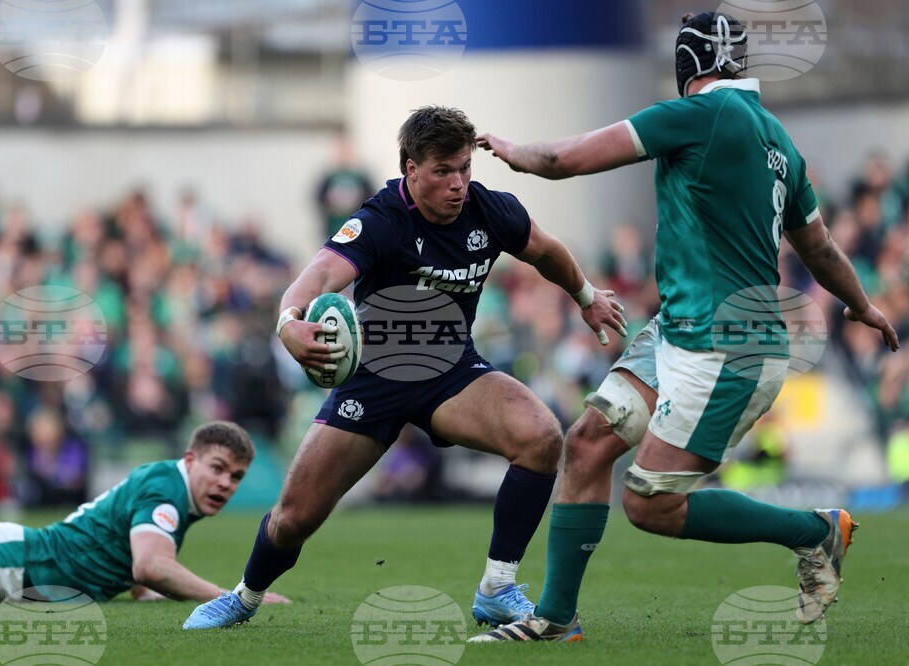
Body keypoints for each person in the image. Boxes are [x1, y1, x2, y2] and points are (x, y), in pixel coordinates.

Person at [471, 11, 900, 643]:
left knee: (648, 504)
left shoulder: (696, 115)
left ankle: (815, 532)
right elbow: (822, 249)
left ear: (687, 66)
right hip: (682, 334)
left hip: (727, 350)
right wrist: (861, 305)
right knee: (587, 444)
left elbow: (563, 159)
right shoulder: (780, 140)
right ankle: (557, 620)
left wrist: (513, 152)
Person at [182, 105, 627, 630]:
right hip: (376, 379)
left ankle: (497, 588)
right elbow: (322, 271)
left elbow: (546, 250)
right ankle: (245, 596)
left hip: (452, 372)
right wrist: (287, 322)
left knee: (541, 436)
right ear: (410, 169)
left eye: (464, 168)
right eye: (443, 171)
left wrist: (585, 294)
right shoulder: (381, 219)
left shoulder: (491, 211)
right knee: (295, 517)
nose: (458, 183)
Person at [0, 421, 287, 605]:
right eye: (218, 468)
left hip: (24, 567)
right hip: (10, 563)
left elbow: (123, 543)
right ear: (191, 460)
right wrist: (231, 599)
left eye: (236, 476)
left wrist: (144, 592)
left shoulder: (171, 486)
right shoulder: (166, 489)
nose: (226, 483)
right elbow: (150, 565)